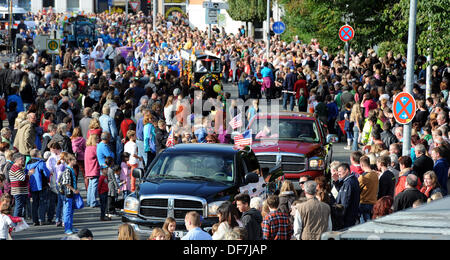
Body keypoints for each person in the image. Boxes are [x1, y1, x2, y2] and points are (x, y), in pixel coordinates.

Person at [26, 149, 50, 226]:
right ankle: (41, 219)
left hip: (32, 185)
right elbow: (46, 173)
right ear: (37, 154)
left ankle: (35, 220)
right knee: (42, 202)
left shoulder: (28, 163)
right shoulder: (41, 163)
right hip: (42, 185)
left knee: (34, 203)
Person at [333, 163, 360, 228]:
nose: (338, 173)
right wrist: (336, 182)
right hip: (351, 216)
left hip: (347, 218)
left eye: (340, 171)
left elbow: (345, 202)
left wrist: (340, 217)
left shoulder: (348, 183)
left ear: (347, 171)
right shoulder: (352, 180)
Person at [60, 153, 79, 235]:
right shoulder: (67, 170)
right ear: (70, 161)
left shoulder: (71, 169)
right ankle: (67, 228)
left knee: (71, 211)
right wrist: (74, 190)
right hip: (68, 194)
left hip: (71, 194)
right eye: (74, 159)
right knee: (67, 211)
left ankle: (70, 226)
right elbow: (66, 183)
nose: (75, 161)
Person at [358, 155, 379, 223]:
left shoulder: (363, 177)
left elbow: (357, 188)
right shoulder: (375, 174)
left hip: (364, 203)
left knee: (364, 224)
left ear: (361, 164)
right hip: (373, 202)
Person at [84, 134, 100, 208]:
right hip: (94, 169)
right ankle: (93, 202)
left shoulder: (87, 148)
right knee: (94, 186)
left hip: (88, 169)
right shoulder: (95, 148)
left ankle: (89, 201)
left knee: (90, 186)